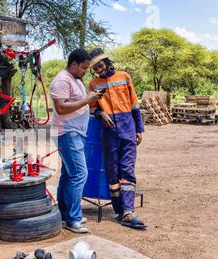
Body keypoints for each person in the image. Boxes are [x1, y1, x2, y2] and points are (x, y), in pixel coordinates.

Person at [88, 48, 147, 230]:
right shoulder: (93, 84)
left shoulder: (124, 76)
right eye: (95, 67)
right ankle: (119, 211)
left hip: (128, 129)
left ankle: (128, 211)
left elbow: (134, 104)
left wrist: (139, 129)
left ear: (106, 61)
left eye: (100, 64)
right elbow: (91, 107)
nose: (99, 69)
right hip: (109, 133)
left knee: (127, 170)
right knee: (112, 173)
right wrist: (100, 113)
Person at [50, 49, 104, 233]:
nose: (85, 71)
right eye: (83, 68)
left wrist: (91, 99)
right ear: (73, 64)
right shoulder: (62, 80)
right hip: (67, 132)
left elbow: (77, 103)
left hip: (75, 133)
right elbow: (61, 108)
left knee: (69, 174)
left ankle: (65, 214)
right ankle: (73, 219)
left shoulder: (75, 80)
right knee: (80, 174)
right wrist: (88, 100)